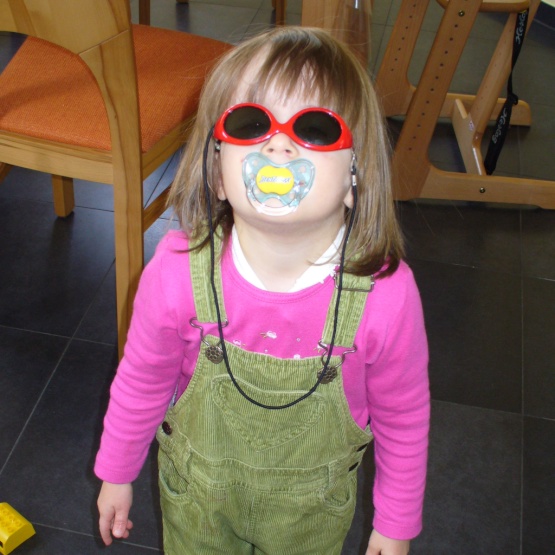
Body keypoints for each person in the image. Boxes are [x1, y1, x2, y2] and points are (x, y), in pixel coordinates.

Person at [95, 26, 429, 555]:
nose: (278, 143)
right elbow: (141, 381)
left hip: (309, 521)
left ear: (356, 175)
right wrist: (117, 472)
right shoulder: (176, 272)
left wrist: (395, 524)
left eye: (315, 128)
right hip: (197, 506)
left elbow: (404, 419)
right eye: (251, 124)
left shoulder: (385, 297)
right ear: (219, 172)